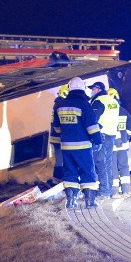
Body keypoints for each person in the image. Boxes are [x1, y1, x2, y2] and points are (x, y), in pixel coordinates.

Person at [51, 77, 102, 208]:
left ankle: (70, 201)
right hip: (83, 146)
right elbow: (91, 126)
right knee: (87, 171)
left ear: (69, 89)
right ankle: (90, 202)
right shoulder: (84, 104)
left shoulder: (60, 105)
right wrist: (98, 140)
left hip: (66, 147)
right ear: (82, 89)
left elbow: (56, 128)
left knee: (70, 172)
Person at [88, 81, 119, 199]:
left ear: (98, 89)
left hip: (102, 135)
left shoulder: (98, 101)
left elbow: (93, 120)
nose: (91, 91)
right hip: (111, 135)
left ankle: (104, 191)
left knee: (101, 163)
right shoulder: (113, 101)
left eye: (93, 89)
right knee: (108, 163)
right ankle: (108, 189)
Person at [108, 88, 131, 196]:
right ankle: (126, 191)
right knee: (124, 167)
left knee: (113, 167)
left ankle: (114, 191)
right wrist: (125, 136)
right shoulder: (124, 111)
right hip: (123, 145)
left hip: (111, 146)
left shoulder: (107, 112)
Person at [50, 84, 69, 180]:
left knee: (60, 158)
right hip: (58, 136)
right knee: (60, 158)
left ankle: (57, 177)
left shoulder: (58, 103)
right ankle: (57, 177)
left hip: (56, 135)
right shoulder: (60, 103)